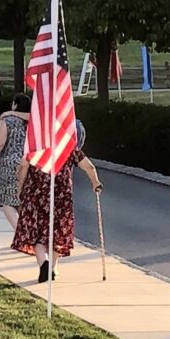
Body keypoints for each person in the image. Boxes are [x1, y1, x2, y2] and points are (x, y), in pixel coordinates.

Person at [11, 121, 103, 283]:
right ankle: (52, 267)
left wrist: (20, 187)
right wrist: (95, 183)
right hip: (61, 196)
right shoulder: (68, 148)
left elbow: (23, 166)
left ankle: (43, 263)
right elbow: (88, 166)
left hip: (36, 194)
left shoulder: (36, 147)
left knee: (37, 233)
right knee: (56, 233)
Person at [0, 93, 32, 229]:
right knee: (24, 199)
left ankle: (20, 233)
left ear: (15, 104)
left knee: (8, 202)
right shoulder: (33, 121)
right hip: (30, 162)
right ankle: (29, 233)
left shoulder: (7, 120)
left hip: (11, 163)